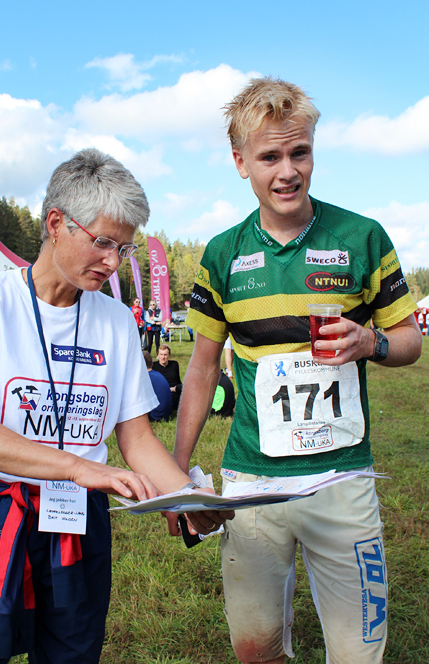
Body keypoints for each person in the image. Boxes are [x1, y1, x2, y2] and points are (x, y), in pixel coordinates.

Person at [0, 148, 232, 664]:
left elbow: (136, 439)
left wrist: (190, 498)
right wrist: (77, 468)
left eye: (125, 249)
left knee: (72, 652)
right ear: (56, 224)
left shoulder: (113, 320)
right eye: (103, 242)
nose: (113, 261)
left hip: (77, 518)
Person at [174, 77, 422, 664]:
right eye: (269, 156)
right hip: (252, 483)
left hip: (342, 479)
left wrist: (373, 342)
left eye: (299, 152)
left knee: (359, 656)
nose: (287, 171)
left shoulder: (362, 237)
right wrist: (179, 476)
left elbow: (411, 340)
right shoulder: (222, 254)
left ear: (314, 150)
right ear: (241, 163)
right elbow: (203, 370)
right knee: (256, 651)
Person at [143, 350, 172, 422]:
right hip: (167, 414)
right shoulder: (157, 374)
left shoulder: (145, 378)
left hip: (156, 416)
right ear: (152, 364)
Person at [152, 344, 183, 411]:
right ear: (158, 355)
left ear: (169, 355)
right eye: (161, 354)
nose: (163, 357)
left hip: (175, 394)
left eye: (165, 355)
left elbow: (178, 381)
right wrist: (171, 389)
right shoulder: (153, 366)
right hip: (162, 394)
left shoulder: (174, 364)